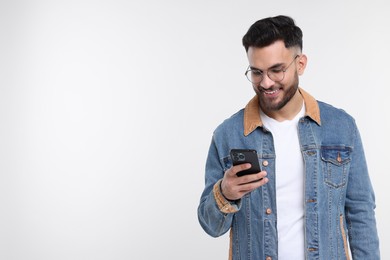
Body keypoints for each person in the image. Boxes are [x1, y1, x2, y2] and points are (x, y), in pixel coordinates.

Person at [197, 15, 380, 260]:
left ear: (300, 64)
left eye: (277, 70)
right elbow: (211, 226)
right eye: (256, 72)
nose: (266, 82)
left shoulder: (340, 127)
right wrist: (225, 192)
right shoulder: (228, 134)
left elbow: (360, 213)